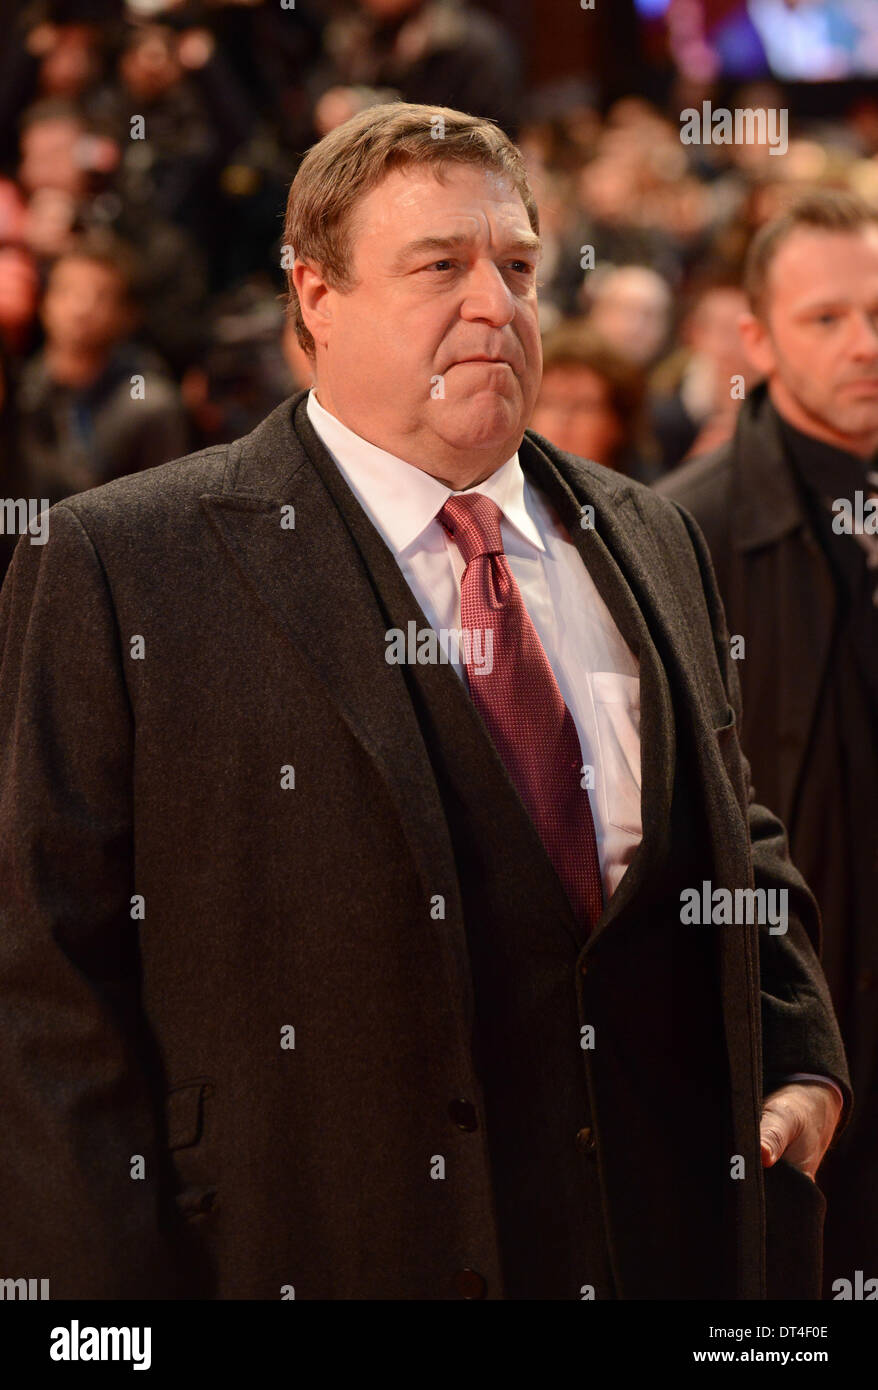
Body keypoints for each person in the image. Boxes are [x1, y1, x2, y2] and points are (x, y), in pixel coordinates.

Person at [0, 104, 850, 1302]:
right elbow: (44, 989)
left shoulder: (648, 529)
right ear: (314, 298)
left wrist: (801, 1055)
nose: (494, 305)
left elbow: (731, 827)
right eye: (438, 266)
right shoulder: (120, 561)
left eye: (514, 267)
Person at [657, 189, 878, 1297]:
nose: (865, 347)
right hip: (798, 1036)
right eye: (826, 318)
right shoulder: (675, 531)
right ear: (755, 339)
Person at [16, 233, 189, 507]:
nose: (80, 308)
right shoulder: (20, 388)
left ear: (128, 315)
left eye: (100, 296)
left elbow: (165, 510)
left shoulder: (148, 403)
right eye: (67, 291)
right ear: (44, 302)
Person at [530, 322, 658, 483]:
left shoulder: (648, 501)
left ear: (618, 424)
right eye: (549, 403)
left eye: (583, 406)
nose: (563, 420)